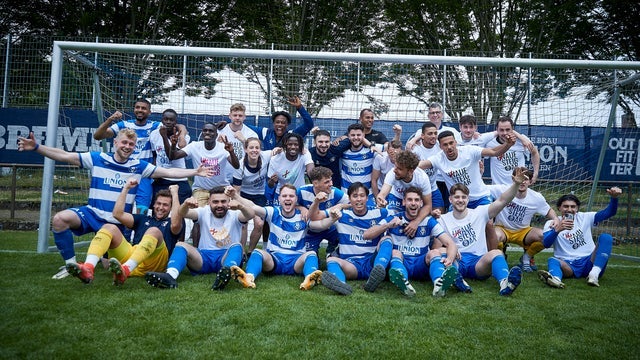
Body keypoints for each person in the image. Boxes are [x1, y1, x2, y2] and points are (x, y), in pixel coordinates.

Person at [17, 129, 213, 276]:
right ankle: (71, 265)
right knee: (60, 219)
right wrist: (36, 147)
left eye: (131, 145)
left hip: (119, 222)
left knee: (108, 265)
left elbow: (169, 172)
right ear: (115, 142)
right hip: (93, 213)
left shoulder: (138, 166)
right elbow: (65, 156)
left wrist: (194, 172)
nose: (127, 147)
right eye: (124, 143)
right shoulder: (97, 158)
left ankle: (111, 266)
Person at [66, 179, 184, 286]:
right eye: (158, 203)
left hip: (155, 262)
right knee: (109, 227)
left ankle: (125, 270)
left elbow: (175, 223)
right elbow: (117, 214)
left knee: (154, 231)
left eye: (165, 205)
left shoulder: (172, 223)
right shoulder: (143, 219)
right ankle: (88, 267)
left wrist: (174, 193)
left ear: (170, 208)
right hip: (133, 258)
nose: (161, 207)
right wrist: (126, 188)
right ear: (153, 204)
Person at [438, 168, 528, 296]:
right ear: (450, 199)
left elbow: (503, 200)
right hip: (457, 260)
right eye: (456, 197)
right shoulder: (443, 219)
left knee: (496, 252)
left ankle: (505, 283)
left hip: (478, 263)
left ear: (468, 200)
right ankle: (458, 280)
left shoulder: (479, 212)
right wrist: (450, 250)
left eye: (464, 197)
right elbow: (438, 244)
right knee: (441, 252)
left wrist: (516, 184)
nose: (460, 200)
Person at [144, 186, 255, 290]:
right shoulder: (204, 211)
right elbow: (183, 213)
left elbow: (250, 214)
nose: (219, 205)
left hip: (225, 257)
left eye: (223, 201)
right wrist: (186, 204)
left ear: (229, 202)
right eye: (215, 202)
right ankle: (170, 276)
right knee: (180, 245)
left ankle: (228, 271)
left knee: (237, 246)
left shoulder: (234, 214)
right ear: (208, 202)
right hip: (203, 258)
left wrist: (240, 206)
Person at [419, 130, 515, 249]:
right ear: (440, 146)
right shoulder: (438, 159)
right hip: (458, 200)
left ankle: (493, 257)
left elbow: (493, 152)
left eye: (451, 143)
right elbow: (420, 165)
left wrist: (508, 144)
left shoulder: (469, 151)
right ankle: (444, 258)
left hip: (481, 197)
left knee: (489, 224)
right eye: (445, 145)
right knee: (445, 227)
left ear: (456, 142)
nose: (449, 147)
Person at [363, 186, 459, 297]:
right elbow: (366, 235)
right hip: (401, 261)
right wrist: (388, 225)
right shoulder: (394, 218)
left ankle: (439, 284)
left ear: (421, 203)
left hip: (421, 265)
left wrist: (449, 259)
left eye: (416, 200)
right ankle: (404, 282)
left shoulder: (428, 221)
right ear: (403, 202)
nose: (413, 203)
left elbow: (450, 243)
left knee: (434, 252)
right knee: (395, 252)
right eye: (410, 200)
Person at [230, 184, 323, 290]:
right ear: (279, 198)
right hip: (275, 259)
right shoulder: (273, 212)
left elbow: (321, 225)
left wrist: (333, 218)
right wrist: (236, 196)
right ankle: (249, 277)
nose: (288, 198)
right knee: (257, 252)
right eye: (284, 196)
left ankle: (309, 279)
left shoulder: (303, 215)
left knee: (311, 254)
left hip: (296, 260)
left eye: (291, 196)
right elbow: (252, 206)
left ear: (296, 199)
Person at [309, 182, 393, 295]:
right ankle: (341, 285)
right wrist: (316, 202)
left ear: (367, 198)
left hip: (372, 261)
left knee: (387, 239)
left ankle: (378, 271)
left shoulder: (379, 212)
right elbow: (314, 217)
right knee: (331, 260)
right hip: (352, 264)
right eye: (355, 196)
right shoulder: (341, 214)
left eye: (362, 196)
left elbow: (397, 216)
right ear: (349, 198)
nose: (359, 199)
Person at [538, 187, 622, 288]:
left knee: (606, 237)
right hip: (568, 265)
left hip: (590, 261)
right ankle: (555, 279)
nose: (569, 209)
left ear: (577, 208)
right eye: (565, 206)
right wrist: (557, 230)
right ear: (559, 208)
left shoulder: (585, 217)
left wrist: (614, 198)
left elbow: (609, 213)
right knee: (552, 260)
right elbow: (546, 244)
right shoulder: (552, 223)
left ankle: (594, 274)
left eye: (573, 207)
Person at [93, 99, 160, 214]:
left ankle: (138, 231)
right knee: (120, 205)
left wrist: (182, 133)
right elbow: (98, 136)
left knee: (142, 209)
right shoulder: (124, 125)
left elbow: (177, 126)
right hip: (124, 171)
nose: (140, 110)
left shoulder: (155, 126)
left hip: (143, 172)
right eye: (137, 107)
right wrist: (110, 119)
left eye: (143, 108)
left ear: (149, 112)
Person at [489, 167, 560, 272]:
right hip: (502, 228)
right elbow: (480, 189)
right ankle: (500, 257)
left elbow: (548, 210)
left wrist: (555, 219)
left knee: (544, 237)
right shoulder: (502, 190)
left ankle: (526, 258)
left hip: (523, 231)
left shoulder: (536, 197)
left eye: (525, 179)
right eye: (519, 178)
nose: (522, 181)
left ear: (530, 182)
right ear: (513, 179)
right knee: (494, 236)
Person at [167, 122, 240, 207]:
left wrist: (231, 151)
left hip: (221, 188)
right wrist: (173, 145)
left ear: (216, 135)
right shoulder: (194, 146)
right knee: (198, 215)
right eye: (205, 130)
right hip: (201, 189)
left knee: (225, 212)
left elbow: (236, 166)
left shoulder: (222, 147)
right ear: (202, 134)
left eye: (211, 131)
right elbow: (173, 156)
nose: (207, 133)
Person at [375, 150, 434, 238]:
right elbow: (383, 193)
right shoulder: (392, 173)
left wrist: (416, 222)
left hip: (414, 200)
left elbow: (428, 205)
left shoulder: (422, 178)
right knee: (390, 216)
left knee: (420, 220)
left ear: (410, 171)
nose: (395, 170)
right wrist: (381, 199)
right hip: (397, 198)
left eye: (399, 169)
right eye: (395, 166)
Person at [232, 137, 275, 252]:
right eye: (251, 147)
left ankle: (250, 251)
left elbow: (278, 150)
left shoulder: (265, 156)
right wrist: (239, 203)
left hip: (259, 196)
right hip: (243, 195)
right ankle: (240, 252)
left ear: (260, 149)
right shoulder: (240, 166)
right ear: (245, 149)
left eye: (257, 147)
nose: (254, 150)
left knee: (259, 223)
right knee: (243, 224)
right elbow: (236, 190)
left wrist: (303, 150)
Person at [298, 166, 349, 256]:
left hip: (330, 227)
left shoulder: (334, 192)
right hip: (310, 231)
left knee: (346, 238)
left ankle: (333, 248)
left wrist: (340, 206)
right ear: (315, 183)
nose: (331, 184)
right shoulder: (302, 191)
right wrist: (300, 208)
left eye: (331, 180)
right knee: (310, 258)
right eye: (327, 182)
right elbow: (287, 205)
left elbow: (352, 203)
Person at [150, 108, 192, 204]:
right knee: (157, 208)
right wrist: (155, 172)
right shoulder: (154, 135)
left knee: (179, 210)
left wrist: (164, 137)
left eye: (171, 120)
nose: (168, 122)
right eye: (166, 119)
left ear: (175, 122)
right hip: (161, 177)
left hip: (179, 178)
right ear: (162, 120)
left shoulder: (183, 137)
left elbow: (171, 156)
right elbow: (155, 155)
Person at [485, 116, 540, 185]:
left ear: (513, 129)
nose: (505, 133)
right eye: (501, 130)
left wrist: (536, 173)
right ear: (497, 130)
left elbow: (534, 153)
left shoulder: (522, 140)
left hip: (518, 186)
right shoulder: (490, 142)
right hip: (499, 188)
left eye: (508, 129)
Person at [245, 96, 315, 150]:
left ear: (287, 124)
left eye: (283, 122)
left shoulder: (292, 135)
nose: (280, 125)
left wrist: (300, 107)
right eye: (277, 122)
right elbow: (246, 127)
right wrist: (236, 120)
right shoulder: (265, 133)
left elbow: (309, 124)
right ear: (273, 123)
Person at [267, 132, 314, 201]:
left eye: (296, 145)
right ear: (285, 145)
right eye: (290, 144)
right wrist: (272, 181)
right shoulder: (275, 159)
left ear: (301, 146)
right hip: (282, 194)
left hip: (299, 193)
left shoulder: (304, 154)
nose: (293, 147)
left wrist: (315, 178)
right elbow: (270, 185)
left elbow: (311, 172)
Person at [340, 123, 378, 207]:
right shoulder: (342, 152)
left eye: (358, 135)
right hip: (346, 197)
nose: (356, 137)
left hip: (367, 196)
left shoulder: (371, 151)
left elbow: (389, 147)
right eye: (353, 135)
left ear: (363, 135)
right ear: (348, 136)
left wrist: (398, 134)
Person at [411, 122, 445, 213]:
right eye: (430, 134)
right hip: (417, 189)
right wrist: (415, 139)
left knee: (439, 214)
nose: (433, 136)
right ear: (422, 136)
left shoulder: (440, 146)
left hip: (433, 188)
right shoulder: (416, 148)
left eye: (435, 133)